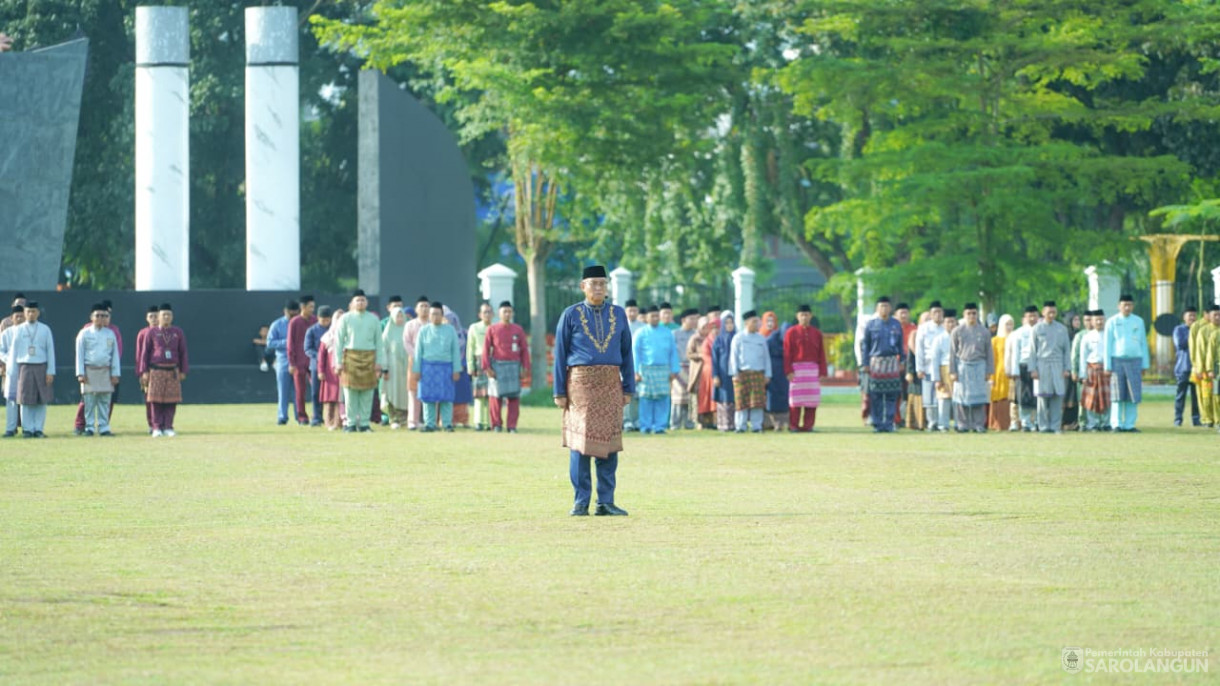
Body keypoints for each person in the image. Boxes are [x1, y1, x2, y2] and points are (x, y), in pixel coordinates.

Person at [553, 265, 634, 517]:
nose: (598, 287)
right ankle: (580, 501)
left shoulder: (619, 315)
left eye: (602, 282)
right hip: (580, 388)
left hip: (611, 385)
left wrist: (628, 386)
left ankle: (606, 502)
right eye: (593, 283)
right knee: (580, 445)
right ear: (583, 286)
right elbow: (560, 354)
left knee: (609, 445)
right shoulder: (571, 314)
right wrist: (559, 391)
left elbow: (627, 352)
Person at [335, 290, 386, 432]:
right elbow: (338, 342)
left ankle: (364, 423)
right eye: (357, 300)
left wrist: (379, 362)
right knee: (349, 393)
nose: (360, 303)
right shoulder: (345, 318)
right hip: (350, 357)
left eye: (363, 300)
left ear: (367, 302)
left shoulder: (373, 319)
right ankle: (350, 423)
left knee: (368, 393)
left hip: (369, 357)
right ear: (352, 303)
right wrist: (338, 362)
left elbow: (379, 343)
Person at [73, 300, 123, 435]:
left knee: (104, 400)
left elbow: (115, 356)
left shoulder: (110, 334)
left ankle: (104, 427)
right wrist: (80, 373)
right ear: (91, 317)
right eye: (97, 315)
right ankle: (89, 427)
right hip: (89, 371)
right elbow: (79, 354)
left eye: (103, 315)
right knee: (89, 401)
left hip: (105, 371)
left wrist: (115, 373)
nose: (100, 318)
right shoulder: (84, 333)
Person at [140, 303, 188, 437]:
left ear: (172, 317)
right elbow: (145, 353)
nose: (166, 317)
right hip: (156, 370)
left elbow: (183, 352)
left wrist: (183, 370)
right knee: (155, 400)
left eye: (169, 315)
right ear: (159, 317)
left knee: (171, 400)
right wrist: (144, 371)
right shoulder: (151, 332)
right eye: (163, 315)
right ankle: (156, 427)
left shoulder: (177, 332)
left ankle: (168, 427)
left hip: (172, 370)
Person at [1104, 294, 1150, 432]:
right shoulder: (1112, 322)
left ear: (1133, 306)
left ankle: (1129, 424)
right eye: (1124, 305)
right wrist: (1107, 366)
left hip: (1135, 360)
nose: (1127, 307)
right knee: (1117, 395)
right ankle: (1116, 424)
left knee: (1132, 394)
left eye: (1129, 305)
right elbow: (1107, 345)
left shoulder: (1139, 321)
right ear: (1119, 306)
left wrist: (1145, 364)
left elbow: (1143, 343)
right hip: (1117, 360)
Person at [631, 305, 680, 434]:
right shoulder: (640, 333)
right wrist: (635, 371)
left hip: (664, 369)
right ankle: (645, 426)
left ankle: (660, 426)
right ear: (646, 318)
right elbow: (635, 353)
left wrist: (674, 370)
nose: (655, 318)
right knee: (646, 399)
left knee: (663, 398)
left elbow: (673, 352)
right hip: (646, 369)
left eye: (656, 316)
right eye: (652, 316)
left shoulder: (667, 332)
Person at [414, 301, 462, 432]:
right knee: (427, 397)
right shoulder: (423, 330)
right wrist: (416, 370)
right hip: (427, 367)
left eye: (438, 314)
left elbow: (455, 351)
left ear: (442, 315)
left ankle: (447, 424)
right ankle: (430, 424)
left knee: (446, 397)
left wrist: (456, 369)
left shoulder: (450, 330)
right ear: (429, 315)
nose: (435, 317)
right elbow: (418, 352)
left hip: (446, 367)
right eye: (433, 314)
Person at [860, 296, 905, 433]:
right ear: (877, 308)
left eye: (886, 306)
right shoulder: (871, 325)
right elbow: (865, 346)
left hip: (891, 362)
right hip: (876, 363)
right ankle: (878, 423)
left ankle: (889, 423)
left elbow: (900, 344)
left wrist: (902, 361)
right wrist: (865, 363)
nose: (884, 309)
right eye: (881, 306)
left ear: (890, 308)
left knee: (891, 395)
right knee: (876, 396)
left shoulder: (896, 325)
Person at [950, 303, 994, 432]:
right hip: (963, 365)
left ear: (977, 314)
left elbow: (989, 353)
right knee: (962, 397)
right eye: (969, 313)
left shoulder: (984, 331)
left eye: (974, 313)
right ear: (964, 315)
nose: (971, 316)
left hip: (980, 365)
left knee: (979, 397)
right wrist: (953, 371)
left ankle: (978, 424)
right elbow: (952, 352)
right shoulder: (957, 331)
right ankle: (963, 424)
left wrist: (989, 371)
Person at [784, 304, 828, 432]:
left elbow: (821, 353)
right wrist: (788, 371)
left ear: (811, 316)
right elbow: (787, 353)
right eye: (802, 315)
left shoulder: (817, 333)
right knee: (795, 401)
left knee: (811, 401)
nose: (804, 317)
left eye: (807, 314)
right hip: (796, 371)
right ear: (797, 316)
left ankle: (808, 425)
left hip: (812, 371)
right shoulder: (790, 333)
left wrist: (822, 372)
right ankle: (794, 425)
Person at [1030, 300, 1072, 433]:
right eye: (1049, 312)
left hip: (1058, 364)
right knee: (1042, 397)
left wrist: (1067, 368)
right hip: (1042, 364)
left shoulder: (1062, 329)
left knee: (1057, 396)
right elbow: (1032, 350)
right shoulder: (1037, 328)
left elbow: (1067, 350)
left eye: (1054, 312)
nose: (1051, 315)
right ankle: (1043, 426)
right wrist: (1033, 369)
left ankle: (1055, 426)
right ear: (1043, 312)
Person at [729, 310, 771, 433]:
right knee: (741, 401)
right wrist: (734, 373)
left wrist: (768, 374)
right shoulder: (738, 338)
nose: (757, 324)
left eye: (758, 321)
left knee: (757, 402)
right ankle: (740, 426)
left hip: (758, 373)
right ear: (747, 323)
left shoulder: (761, 339)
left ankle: (756, 426)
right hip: (742, 373)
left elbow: (766, 357)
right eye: (754, 321)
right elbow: (733, 357)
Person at [266, 300, 300, 425]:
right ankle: (282, 416)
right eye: (291, 314)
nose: (293, 316)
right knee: (283, 390)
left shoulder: (300, 323)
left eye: (295, 313)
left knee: (298, 391)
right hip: (283, 361)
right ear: (285, 311)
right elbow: (270, 343)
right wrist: (287, 342)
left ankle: (300, 416)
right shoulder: (277, 324)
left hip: (298, 361)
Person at [1006, 305, 1040, 431]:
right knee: (1024, 396)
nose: (1032, 318)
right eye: (1029, 316)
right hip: (1023, 367)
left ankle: (1036, 421)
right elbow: (1015, 352)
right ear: (1025, 317)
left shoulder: (1042, 330)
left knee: (1038, 395)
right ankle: (1026, 423)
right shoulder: (1019, 333)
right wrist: (1015, 371)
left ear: (1038, 316)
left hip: (1038, 367)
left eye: (1034, 316)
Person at [286, 294, 317, 426]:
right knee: (300, 391)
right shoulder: (295, 322)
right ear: (303, 307)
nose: (312, 309)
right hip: (298, 362)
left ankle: (317, 415)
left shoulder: (316, 320)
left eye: (313, 307)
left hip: (313, 360)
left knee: (317, 389)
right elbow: (290, 344)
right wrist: (292, 363)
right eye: (310, 307)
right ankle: (302, 417)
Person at [1078, 310, 1110, 431]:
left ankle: (1106, 423)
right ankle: (1092, 424)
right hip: (1091, 369)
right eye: (1096, 319)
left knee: (1106, 398)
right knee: (1091, 399)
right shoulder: (1087, 337)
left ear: (1105, 320)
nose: (1099, 322)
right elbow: (1083, 357)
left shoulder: (1109, 335)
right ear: (1092, 321)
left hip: (1106, 370)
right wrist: (1083, 375)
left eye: (1101, 319)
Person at [915, 301, 945, 430]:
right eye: (935, 312)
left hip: (943, 367)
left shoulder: (946, 328)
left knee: (942, 396)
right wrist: (919, 368)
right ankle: (931, 422)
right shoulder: (924, 328)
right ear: (930, 314)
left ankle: (942, 422)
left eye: (939, 312)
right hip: (927, 366)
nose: (937, 315)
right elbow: (919, 349)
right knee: (929, 397)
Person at [402, 296, 431, 429]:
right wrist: (417, 356)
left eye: (426, 306)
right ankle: (412, 421)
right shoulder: (410, 324)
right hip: (414, 361)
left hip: (431, 361)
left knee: (430, 390)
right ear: (416, 309)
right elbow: (406, 342)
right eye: (421, 306)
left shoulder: (433, 324)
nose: (424, 309)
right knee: (413, 391)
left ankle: (429, 420)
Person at [381, 306, 410, 428]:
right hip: (392, 369)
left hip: (406, 369)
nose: (399, 318)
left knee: (405, 393)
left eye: (401, 315)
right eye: (397, 316)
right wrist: (385, 369)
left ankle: (405, 419)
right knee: (392, 393)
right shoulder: (388, 332)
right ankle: (394, 419)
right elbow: (383, 351)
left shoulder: (407, 330)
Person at [927, 309, 956, 432]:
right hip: (943, 369)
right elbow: (934, 360)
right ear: (944, 323)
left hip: (957, 370)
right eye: (948, 322)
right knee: (944, 399)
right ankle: (943, 424)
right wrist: (937, 378)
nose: (951, 324)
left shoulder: (959, 337)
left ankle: (959, 423)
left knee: (958, 399)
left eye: (953, 322)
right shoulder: (939, 339)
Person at [670, 308, 699, 430]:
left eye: (695, 319)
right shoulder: (674, 334)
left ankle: (689, 423)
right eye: (691, 319)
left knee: (690, 396)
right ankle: (675, 424)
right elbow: (670, 352)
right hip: (678, 367)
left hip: (693, 368)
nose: (694, 321)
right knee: (678, 397)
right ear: (683, 320)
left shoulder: (696, 334)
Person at [0, 305, 26, 437]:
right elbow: (1, 351)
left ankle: (28, 428)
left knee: (26, 399)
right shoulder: (6, 333)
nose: (20, 318)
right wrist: (8, 360)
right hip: (11, 370)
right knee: (11, 399)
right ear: (12, 318)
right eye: (17, 316)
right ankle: (10, 428)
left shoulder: (29, 331)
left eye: (22, 316)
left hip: (27, 369)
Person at [1173, 307, 1201, 427]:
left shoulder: (1200, 329)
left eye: (1194, 316)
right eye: (1190, 316)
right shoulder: (1179, 330)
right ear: (1184, 317)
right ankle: (1178, 419)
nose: (1192, 318)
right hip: (1183, 368)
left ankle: (1196, 419)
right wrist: (1193, 333)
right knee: (1180, 395)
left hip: (1197, 368)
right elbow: (1180, 343)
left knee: (1196, 396)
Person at [316, 310, 345, 430]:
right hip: (329, 373)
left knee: (342, 397)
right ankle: (330, 422)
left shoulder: (348, 335)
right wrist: (321, 371)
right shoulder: (327, 337)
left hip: (344, 371)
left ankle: (341, 422)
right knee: (330, 397)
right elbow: (321, 356)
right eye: (337, 318)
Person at [304, 306, 332, 427]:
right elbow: (307, 349)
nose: (325, 322)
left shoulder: (333, 329)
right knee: (316, 392)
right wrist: (320, 356)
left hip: (331, 365)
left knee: (331, 392)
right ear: (318, 318)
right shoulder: (311, 330)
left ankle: (330, 417)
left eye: (327, 319)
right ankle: (316, 417)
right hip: (316, 365)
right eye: (323, 320)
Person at [467, 302, 493, 431]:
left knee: (490, 394)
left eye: (489, 312)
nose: (487, 314)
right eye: (484, 312)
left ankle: (489, 422)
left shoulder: (495, 328)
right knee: (479, 395)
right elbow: (470, 348)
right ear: (480, 314)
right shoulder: (474, 328)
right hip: (478, 362)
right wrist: (470, 365)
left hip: (492, 363)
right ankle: (478, 422)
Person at [711, 313, 737, 431]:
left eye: (731, 322)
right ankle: (723, 424)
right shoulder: (719, 340)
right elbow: (715, 359)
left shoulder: (737, 337)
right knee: (724, 397)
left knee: (735, 397)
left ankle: (734, 424)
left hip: (735, 373)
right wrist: (715, 375)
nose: (729, 325)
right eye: (726, 323)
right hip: (722, 374)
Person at [134, 305, 159, 433]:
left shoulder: (166, 332)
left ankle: (162, 423)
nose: (154, 319)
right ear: (146, 318)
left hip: (161, 370)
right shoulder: (143, 333)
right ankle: (151, 424)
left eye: (156, 316)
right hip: (148, 371)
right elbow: (139, 354)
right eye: (151, 317)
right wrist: (142, 372)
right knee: (149, 399)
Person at [687, 316, 714, 429]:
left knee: (709, 396)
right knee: (697, 397)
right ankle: (698, 421)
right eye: (703, 327)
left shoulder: (712, 338)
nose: (705, 330)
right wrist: (700, 356)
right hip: (698, 371)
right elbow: (689, 354)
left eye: (708, 327)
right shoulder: (695, 338)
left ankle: (710, 421)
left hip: (710, 371)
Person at [988, 314, 1014, 431]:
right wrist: (991, 377)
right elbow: (992, 359)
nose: (1009, 327)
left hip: (1012, 373)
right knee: (998, 397)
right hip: (998, 373)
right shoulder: (995, 341)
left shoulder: (1015, 338)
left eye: (1011, 324)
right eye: (1006, 324)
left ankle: (1011, 423)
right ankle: (997, 423)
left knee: (1011, 398)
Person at [764, 318, 789, 431]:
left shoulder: (790, 340)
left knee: (784, 397)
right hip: (772, 372)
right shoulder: (770, 340)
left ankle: (783, 423)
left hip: (784, 373)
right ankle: (769, 423)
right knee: (771, 398)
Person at [622, 299, 644, 432]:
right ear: (625, 311)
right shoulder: (620, 325)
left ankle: (637, 420)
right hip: (623, 364)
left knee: (637, 394)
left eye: (634, 310)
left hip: (638, 365)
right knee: (625, 393)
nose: (632, 313)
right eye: (630, 310)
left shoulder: (642, 327)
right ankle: (627, 421)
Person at [694, 316, 720, 429]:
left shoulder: (724, 339)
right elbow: (706, 356)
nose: (715, 330)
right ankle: (707, 422)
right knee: (708, 397)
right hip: (709, 372)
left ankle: (719, 421)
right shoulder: (707, 341)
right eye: (712, 327)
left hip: (722, 372)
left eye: (717, 327)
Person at [904, 315, 926, 431]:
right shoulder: (915, 334)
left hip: (930, 371)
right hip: (916, 371)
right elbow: (910, 355)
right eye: (925, 320)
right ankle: (917, 422)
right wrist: (909, 371)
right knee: (917, 395)